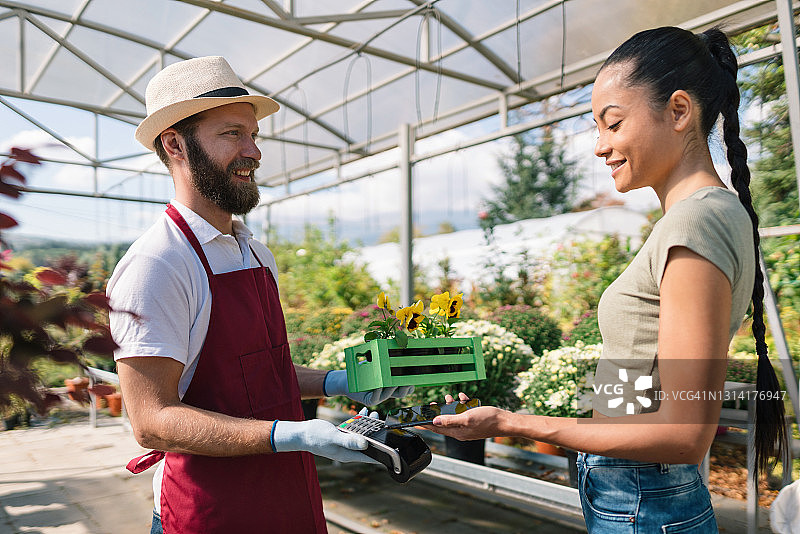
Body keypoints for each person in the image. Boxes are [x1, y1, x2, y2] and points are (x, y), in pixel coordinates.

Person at [428, 27, 787, 532]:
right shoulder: (703, 217)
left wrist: (511, 423)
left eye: (613, 124)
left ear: (679, 111)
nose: (601, 147)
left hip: (644, 498)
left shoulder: (695, 222)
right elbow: (641, 385)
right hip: (635, 491)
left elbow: (685, 434)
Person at [107, 56, 412, 534]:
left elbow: (258, 375)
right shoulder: (158, 264)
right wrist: (291, 434)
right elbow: (152, 420)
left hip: (289, 495)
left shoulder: (255, 252)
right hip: (210, 511)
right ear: (175, 144)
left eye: (253, 135)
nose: (254, 151)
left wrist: (340, 382)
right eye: (232, 134)